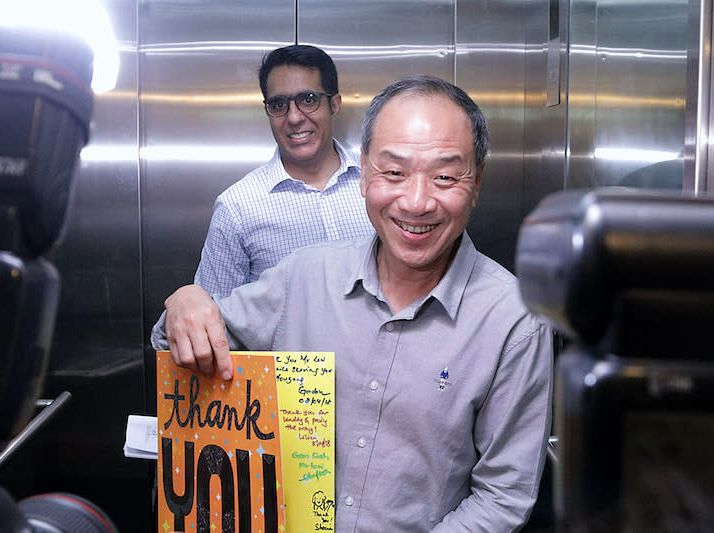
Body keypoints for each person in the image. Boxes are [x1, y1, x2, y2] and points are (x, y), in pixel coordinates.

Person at [156, 76, 553, 532]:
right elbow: (179, 343)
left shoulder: (514, 323)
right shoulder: (302, 277)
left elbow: (503, 496)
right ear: (364, 173)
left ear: (477, 181)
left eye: (445, 176)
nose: (417, 201)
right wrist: (185, 303)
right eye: (394, 172)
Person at [151, 44, 373, 348]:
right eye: (279, 104)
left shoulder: (380, 182)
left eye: (308, 99)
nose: (294, 117)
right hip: (290, 392)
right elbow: (206, 325)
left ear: (334, 104)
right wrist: (184, 302)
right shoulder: (238, 208)